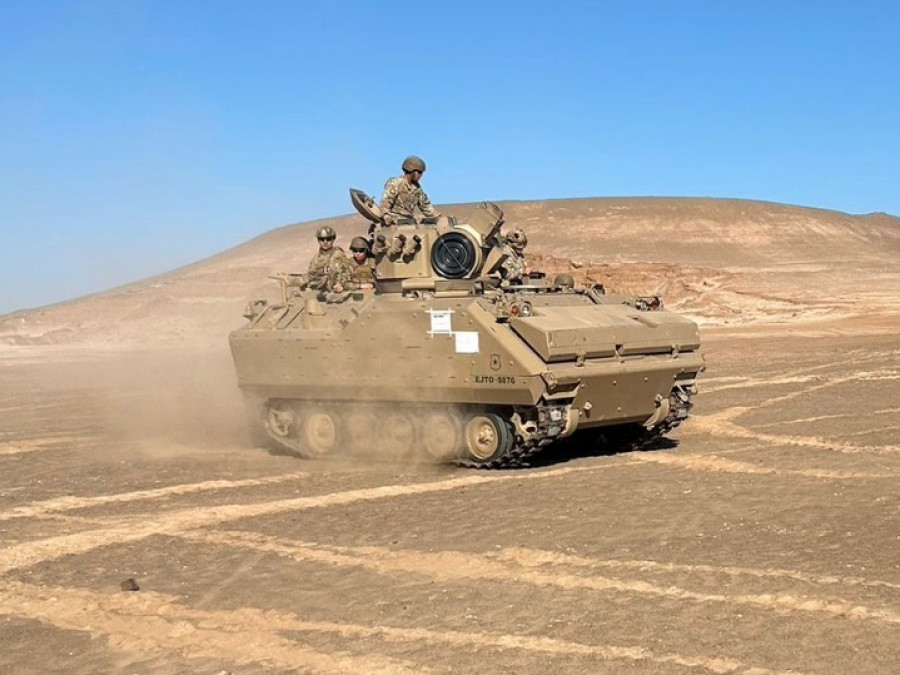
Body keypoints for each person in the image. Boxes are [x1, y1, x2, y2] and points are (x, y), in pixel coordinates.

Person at [380, 156, 441, 225]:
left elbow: (426, 207)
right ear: (412, 171)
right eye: (420, 172)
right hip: (393, 223)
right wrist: (386, 216)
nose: (421, 176)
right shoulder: (396, 183)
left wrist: (438, 219)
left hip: (408, 223)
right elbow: (385, 203)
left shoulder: (417, 189)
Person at [306, 226, 352, 292]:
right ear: (318, 240)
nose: (325, 242)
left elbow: (347, 272)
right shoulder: (316, 258)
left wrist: (341, 284)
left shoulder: (338, 254)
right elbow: (311, 275)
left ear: (333, 239)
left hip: (336, 288)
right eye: (322, 239)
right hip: (319, 289)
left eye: (328, 239)